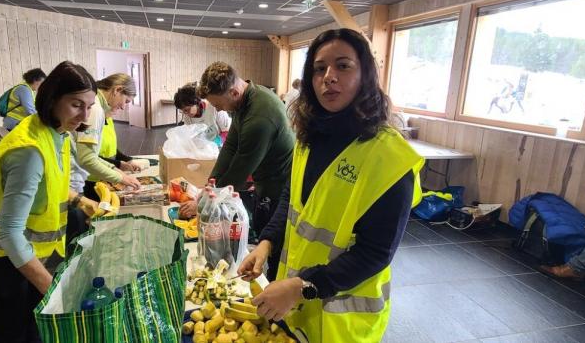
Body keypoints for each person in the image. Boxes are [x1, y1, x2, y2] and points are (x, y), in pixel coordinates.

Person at [238, 28, 424, 343]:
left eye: (343, 66)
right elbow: (292, 198)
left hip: (342, 318)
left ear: (365, 75)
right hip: (295, 304)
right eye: (319, 69)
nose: (329, 77)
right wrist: (267, 242)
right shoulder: (310, 137)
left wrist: (301, 287)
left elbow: (375, 253)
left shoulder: (390, 157)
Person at [0, 61, 105, 343]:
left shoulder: (54, 132)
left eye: (90, 106)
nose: (84, 115)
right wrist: (52, 288)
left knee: (34, 329)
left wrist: (80, 200)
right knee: (13, 334)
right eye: (76, 104)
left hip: (22, 254)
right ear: (52, 99)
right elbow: (9, 232)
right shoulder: (28, 151)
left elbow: (46, 188)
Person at [179, 62, 294, 264]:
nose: (219, 109)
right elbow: (230, 147)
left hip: (279, 189)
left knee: (274, 247)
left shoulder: (260, 116)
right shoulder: (244, 100)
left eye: (219, 105)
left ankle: (272, 284)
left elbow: (238, 173)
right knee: (262, 236)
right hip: (264, 182)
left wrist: (202, 201)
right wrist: (208, 187)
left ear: (233, 92)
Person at [70, 73, 141, 203]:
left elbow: (90, 156)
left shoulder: (98, 106)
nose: (123, 107)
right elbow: (86, 159)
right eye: (126, 101)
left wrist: (115, 169)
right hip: (74, 181)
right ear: (117, 90)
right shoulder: (96, 109)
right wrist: (120, 178)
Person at [174, 82, 231, 146]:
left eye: (187, 110)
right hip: (204, 148)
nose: (186, 113)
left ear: (196, 101)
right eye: (183, 111)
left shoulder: (214, 107)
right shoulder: (187, 117)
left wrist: (216, 142)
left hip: (221, 146)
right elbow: (191, 136)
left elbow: (227, 132)